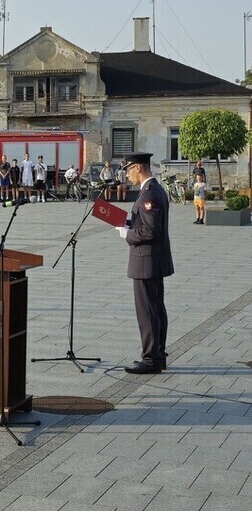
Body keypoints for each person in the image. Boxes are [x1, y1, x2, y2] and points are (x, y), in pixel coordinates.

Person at [116, 152, 174, 374]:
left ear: (138, 168)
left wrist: (127, 234)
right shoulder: (154, 190)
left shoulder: (148, 194)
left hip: (146, 260)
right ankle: (158, 356)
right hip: (153, 260)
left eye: (128, 170)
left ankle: (150, 360)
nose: (127, 175)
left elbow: (150, 230)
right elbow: (147, 222)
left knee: (148, 311)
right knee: (156, 308)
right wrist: (129, 223)